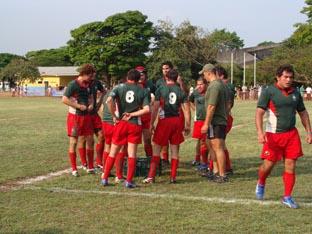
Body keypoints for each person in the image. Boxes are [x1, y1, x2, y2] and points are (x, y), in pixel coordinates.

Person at [255, 64, 312, 209]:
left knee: (291, 165)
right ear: (278, 77)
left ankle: (287, 196)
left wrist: (309, 132)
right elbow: (259, 112)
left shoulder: (295, 93)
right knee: (268, 165)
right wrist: (260, 132)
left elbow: (303, 113)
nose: (288, 80)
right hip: (274, 135)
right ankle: (261, 181)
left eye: (291, 77)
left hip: (292, 135)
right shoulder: (269, 91)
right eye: (285, 77)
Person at [101, 69, 150, 188]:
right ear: (139, 79)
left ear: (127, 76)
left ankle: (105, 178)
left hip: (121, 122)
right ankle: (128, 181)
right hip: (134, 124)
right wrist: (132, 114)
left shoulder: (119, 87)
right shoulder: (143, 90)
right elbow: (147, 109)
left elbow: (109, 101)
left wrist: (114, 116)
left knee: (113, 151)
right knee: (131, 153)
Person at [143, 69, 191, 184]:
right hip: (176, 120)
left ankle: (151, 176)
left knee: (157, 149)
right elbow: (186, 109)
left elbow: (155, 108)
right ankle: (173, 176)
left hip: (165, 121)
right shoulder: (180, 91)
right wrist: (188, 124)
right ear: (176, 78)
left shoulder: (161, 89)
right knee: (175, 150)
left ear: (166, 78)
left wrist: (151, 123)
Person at [62, 64, 96, 176]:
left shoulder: (89, 84)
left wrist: (91, 104)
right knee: (74, 142)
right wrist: (78, 106)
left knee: (90, 140)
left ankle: (90, 167)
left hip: (86, 117)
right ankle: (74, 168)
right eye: (90, 76)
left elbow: (91, 97)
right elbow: (64, 99)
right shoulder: (73, 84)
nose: (91, 78)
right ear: (84, 74)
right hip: (75, 117)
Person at [200, 64, 228, 183]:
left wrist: (206, 123)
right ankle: (216, 172)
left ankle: (222, 174)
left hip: (216, 121)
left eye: (204, 74)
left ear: (208, 72)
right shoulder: (219, 84)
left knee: (218, 147)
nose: (204, 76)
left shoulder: (214, 86)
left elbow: (211, 106)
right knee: (212, 146)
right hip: (217, 120)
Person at [215, 65, 234, 175]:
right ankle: (227, 167)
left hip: (224, 117)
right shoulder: (225, 86)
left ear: (221, 75)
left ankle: (224, 168)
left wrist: (224, 116)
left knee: (219, 144)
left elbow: (229, 104)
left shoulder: (226, 86)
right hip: (225, 116)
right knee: (221, 144)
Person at [135, 65, 155, 158]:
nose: (140, 76)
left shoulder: (150, 85)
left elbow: (156, 100)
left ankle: (149, 159)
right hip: (135, 117)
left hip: (147, 116)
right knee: (133, 141)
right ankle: (129, 160)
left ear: (145, 75)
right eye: (138, 74)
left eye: (142, 74)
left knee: (147, 140)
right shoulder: (132, 85)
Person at [189, 77, 209, 170]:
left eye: (201, 84)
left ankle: (206, 162)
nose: (199, 86)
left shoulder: (209, 91)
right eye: (198, 84)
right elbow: (190, 100)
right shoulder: (196, 92)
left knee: (206, 141)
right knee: (200, 140)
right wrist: (195, 110)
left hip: (207, 119)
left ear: (206, 84)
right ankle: (199, 160)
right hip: (199, 119)